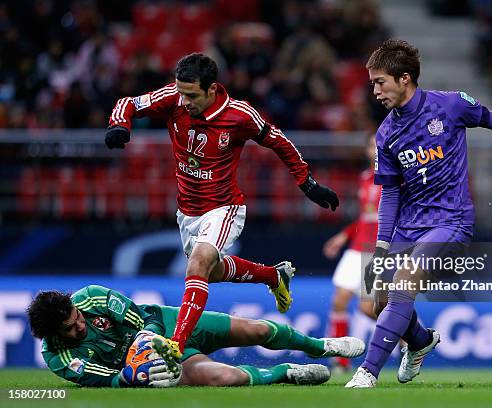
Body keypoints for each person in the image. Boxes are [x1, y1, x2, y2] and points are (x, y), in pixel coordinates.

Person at [345, 39, 492, 388]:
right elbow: (392, 192)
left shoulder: (451, 105)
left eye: (379, 81)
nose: (375, 90)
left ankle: (367, 372)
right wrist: (382, 244)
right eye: (372, 83)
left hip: (450, 222)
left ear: (405, 78)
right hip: (408, 227)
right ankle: (420, 341)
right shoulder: (385, 134)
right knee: (374, 301)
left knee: (402, 285)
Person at [105, 53, 339, 365]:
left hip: (224, 207)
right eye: (181, 92)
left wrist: (307, 183)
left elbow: (279, 141)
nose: (184, 101)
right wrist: (120, 125)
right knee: (209, 273)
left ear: (212, 89)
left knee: (197, 265)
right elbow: (128, 103)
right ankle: (273, 276)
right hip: (187, 211)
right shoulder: (173, 98)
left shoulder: (239, 115)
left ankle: (176, 346)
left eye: (191, 95)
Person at [27, 285, 365, 388]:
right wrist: (133, 376)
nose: (80, 326)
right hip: (164, 364)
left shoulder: (92, 297)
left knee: (258, 329)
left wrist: (149, 343)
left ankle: (322, 347)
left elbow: (144, 320)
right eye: (71, 330)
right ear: (53, 334)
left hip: (174, 327)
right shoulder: (59, 357)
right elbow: (106, 380)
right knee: (225, 378)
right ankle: (286, 373)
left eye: (78, 318)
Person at [323, 133, 378, 371]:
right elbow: (364, 218)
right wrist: (343, 236)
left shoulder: (398, 179)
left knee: (368, 308)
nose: (376, 149)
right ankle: (341, 359)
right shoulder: (365, 178)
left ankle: (409, 338)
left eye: (380, 145)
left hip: (378, 251)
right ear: (367, 150)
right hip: (357, 249)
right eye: (372, 145)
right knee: (339, 300)